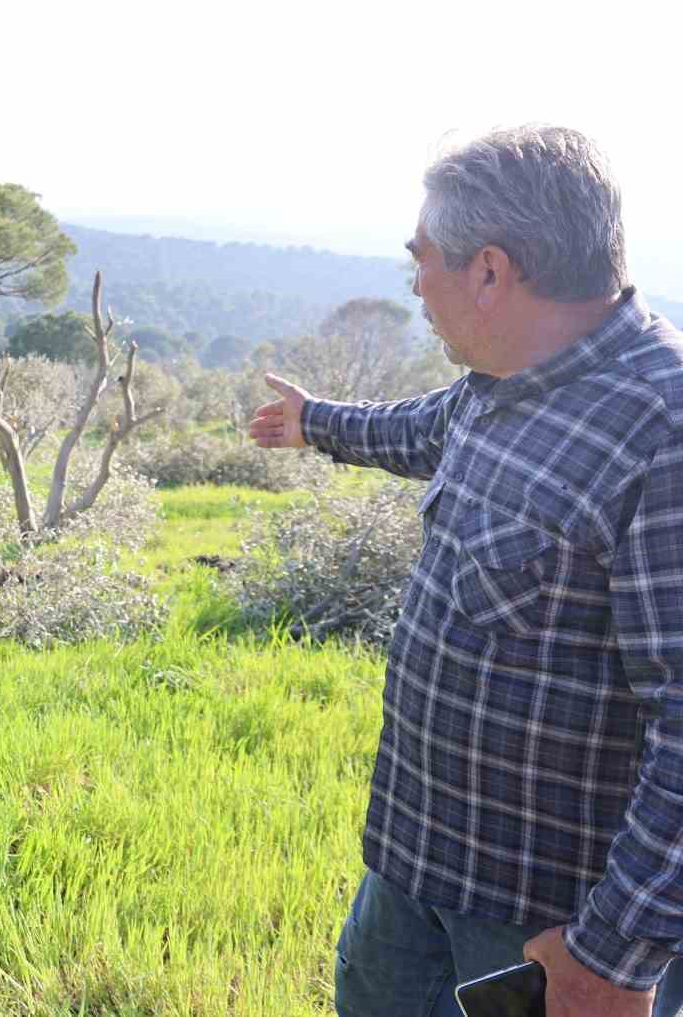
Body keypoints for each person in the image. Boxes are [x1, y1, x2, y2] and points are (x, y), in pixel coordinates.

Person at [250, 126, 683, 1017]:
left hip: (547, 929)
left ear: (489, 271)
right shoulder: (502, 381)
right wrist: (316, 423)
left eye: (423, 259)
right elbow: (426, 429)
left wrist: (611, 955)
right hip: (414, 863)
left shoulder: (661, 432)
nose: (414, 285)